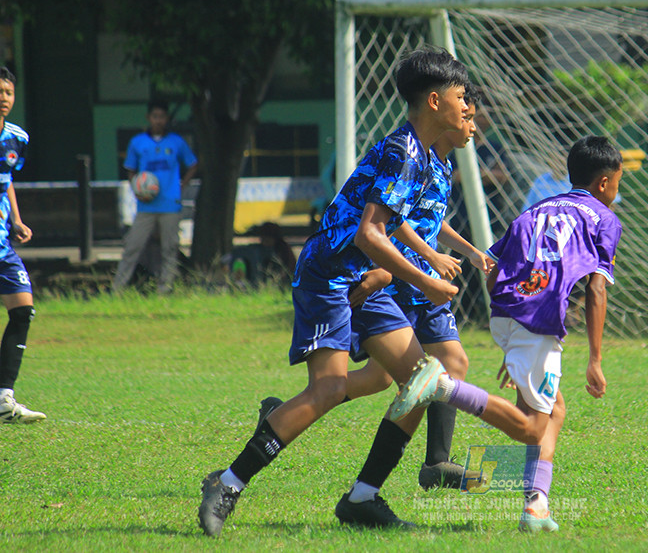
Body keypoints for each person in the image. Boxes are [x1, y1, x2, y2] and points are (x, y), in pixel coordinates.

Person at [197, 48, 472, 536]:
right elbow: (370, 234)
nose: (467, 104)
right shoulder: (401, 150)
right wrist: (426, 278)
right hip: (331, 275)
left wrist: (416, 268)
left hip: (366, 280)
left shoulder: (426, 156)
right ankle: (229, 482)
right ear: (434, 101)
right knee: (328, 387)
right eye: (460, 95)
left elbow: (397, 228)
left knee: (422, 381)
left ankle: (362, 498)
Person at [389, 135, 624, 533]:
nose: (618, 192)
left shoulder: (536, 208)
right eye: (619, 183)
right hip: (537, 322)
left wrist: (513, 337)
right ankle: (442, 386)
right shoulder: (603, 218)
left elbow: (494, 268)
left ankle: (536, 505)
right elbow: (597, 290)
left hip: (509, 314)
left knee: (553, 410)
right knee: (533, 424)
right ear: (604, 183)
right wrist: (595, 360)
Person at [324, 84, 494, 511]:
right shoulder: (411, 157)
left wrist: (466, 249)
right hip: (402, 280)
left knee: (446, 365)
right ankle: (298, 420)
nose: (472, 126)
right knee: (392, 379)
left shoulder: (441, 163)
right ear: (441, 110)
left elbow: (431, 221)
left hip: (421, 282)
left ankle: (437, 461)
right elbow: (392, 224)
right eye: (468, 117)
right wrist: (428, 259)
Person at [112, 100, 198, 294]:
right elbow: (131, 170)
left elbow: (193, 164)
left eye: (162, 117)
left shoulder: (176, 142)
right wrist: (138, 191)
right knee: (132, 247)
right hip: (146, 207)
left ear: (167, 119)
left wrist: (182, 184)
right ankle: (117, 289)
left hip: (170, 204)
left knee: (170, 248)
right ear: (149, 118)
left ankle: (164, 289)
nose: (158, 121)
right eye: (155, 116)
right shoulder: (138, 142)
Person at [0, 67, 44, 424]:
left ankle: (4, 397)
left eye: (9, 92)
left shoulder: (17, 138)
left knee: (22, 310)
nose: (4, 97)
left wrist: (16, 219)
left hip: (2, 244)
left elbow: (7, 180)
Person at [221, 222, 297, 288]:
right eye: (263, 238)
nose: (264, 241)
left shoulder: (283, 250)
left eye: (267, 239)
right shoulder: (260, 249)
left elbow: (287, 269)